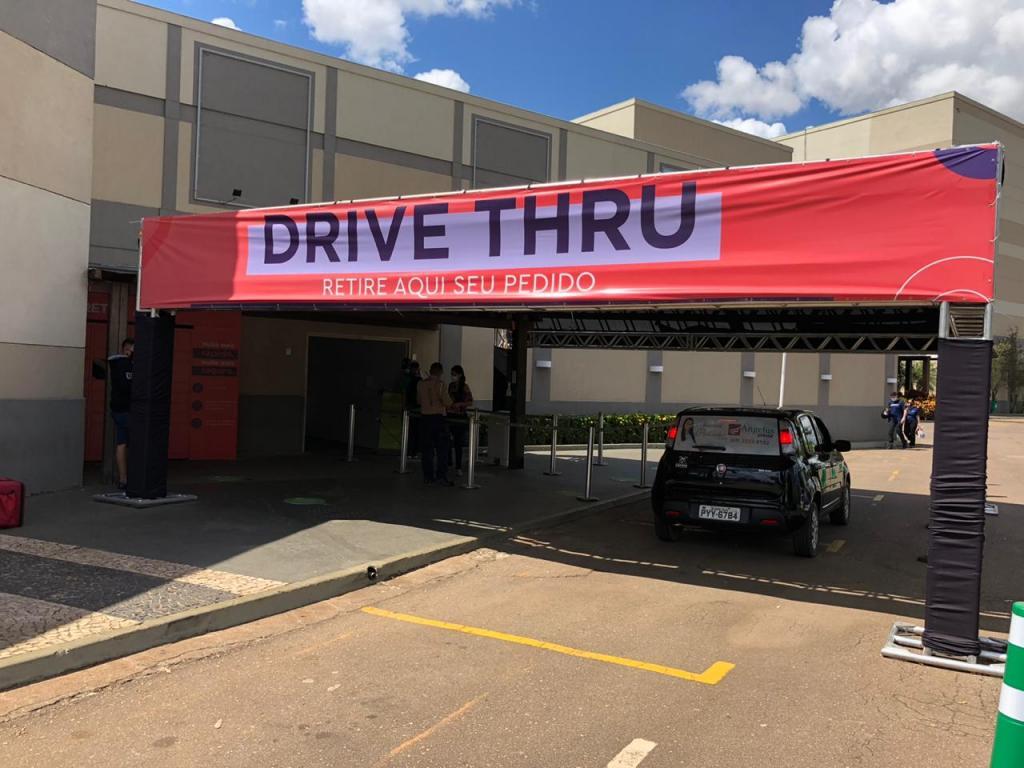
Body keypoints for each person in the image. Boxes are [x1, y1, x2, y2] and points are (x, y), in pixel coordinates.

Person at [417, 362, 453, 485]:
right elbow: (447, 402)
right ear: (440, 372)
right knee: (442, 449)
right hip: (438, 419)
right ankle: (441, 476)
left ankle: (427, 477)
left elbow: (418, 400)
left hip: (425, 418)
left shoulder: (420, 384)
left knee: (427, 449)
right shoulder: (441, 385)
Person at [108, 338, 134, 489]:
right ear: (128, 350)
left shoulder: (117, 364)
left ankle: (123, 479)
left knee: (121, 443)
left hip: (118, 409)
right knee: (134, 442)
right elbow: (129, 387)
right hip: (126, 410)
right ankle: (129, 477)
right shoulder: (125, 365)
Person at [447, 365, 474, 476]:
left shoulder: (465, 387)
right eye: (452, 374)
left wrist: (460, 404)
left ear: (460, 375)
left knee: (458, 443)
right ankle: (448, 462)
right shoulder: (450, 386)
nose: (453, 376)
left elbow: (470, 401)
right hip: (450, 415)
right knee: (447, 440)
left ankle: (458, 466)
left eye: (455, 374)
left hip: (460, 416)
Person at [402, 360, 422, 459]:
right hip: (417, 407)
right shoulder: (418, 380)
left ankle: (411, 451)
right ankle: (413, 451)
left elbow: (406, 392)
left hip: (412, 406)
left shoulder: (410, 379)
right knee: (415, 430)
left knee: (412, 430)